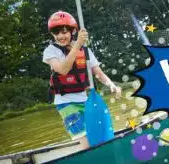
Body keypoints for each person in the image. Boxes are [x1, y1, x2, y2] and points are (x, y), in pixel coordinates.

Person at [42, 11, 122, 150]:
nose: (60, 36)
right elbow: (63, 70)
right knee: (86, 143)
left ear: (73, 31)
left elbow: (98, 73)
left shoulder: (85, 51)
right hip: (66, 104)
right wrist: (78, 44)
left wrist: (111, 85)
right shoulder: (50, 51)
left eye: (64, 31)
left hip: (86, 101)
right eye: (56, 33)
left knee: (99, 136)